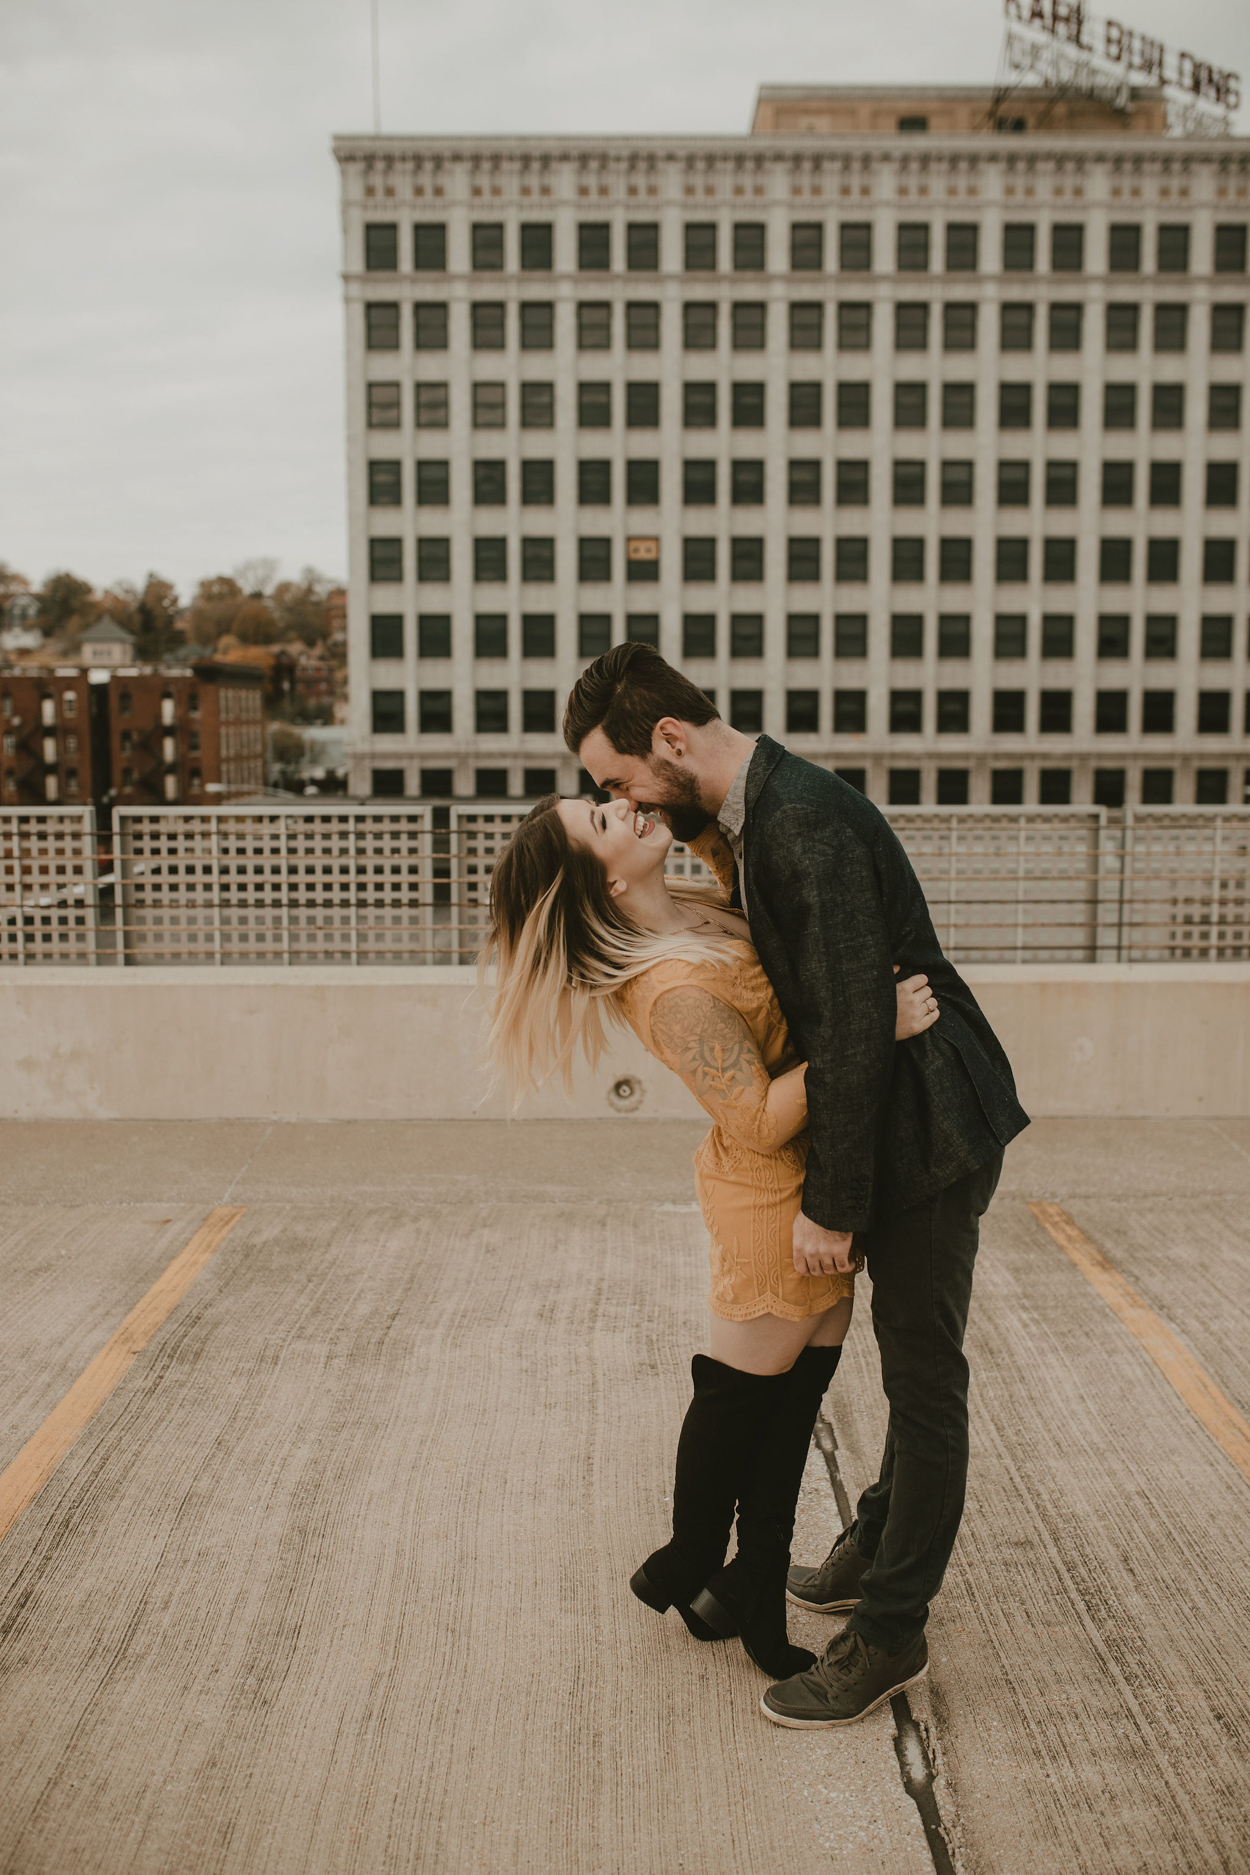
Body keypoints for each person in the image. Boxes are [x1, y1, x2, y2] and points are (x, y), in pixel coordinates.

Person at [563, 643, 1029, 1728]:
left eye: (619, 780)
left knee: (922, 1377)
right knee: (915, 1356)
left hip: (928, 1130)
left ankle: (890, 1629)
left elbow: (856, 1035)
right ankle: (874, 1539)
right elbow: (832, 1017)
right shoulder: (749, 821)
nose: (619, 800)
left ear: (668, 742)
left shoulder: (798, 827)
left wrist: (828, 1204)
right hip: (901, 1119)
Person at [485, 788, 940, 1681]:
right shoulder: (669, 990)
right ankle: (695, 1560)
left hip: (822, 1186)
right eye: (607, 822)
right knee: (738, 1411)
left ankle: (738, 1594)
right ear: (605, 885)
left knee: (787, 1420)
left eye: (603, 798)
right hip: (774, 1204)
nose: (624, 805)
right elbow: (763, 1116)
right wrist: (870, 1032)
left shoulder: (693, 906)